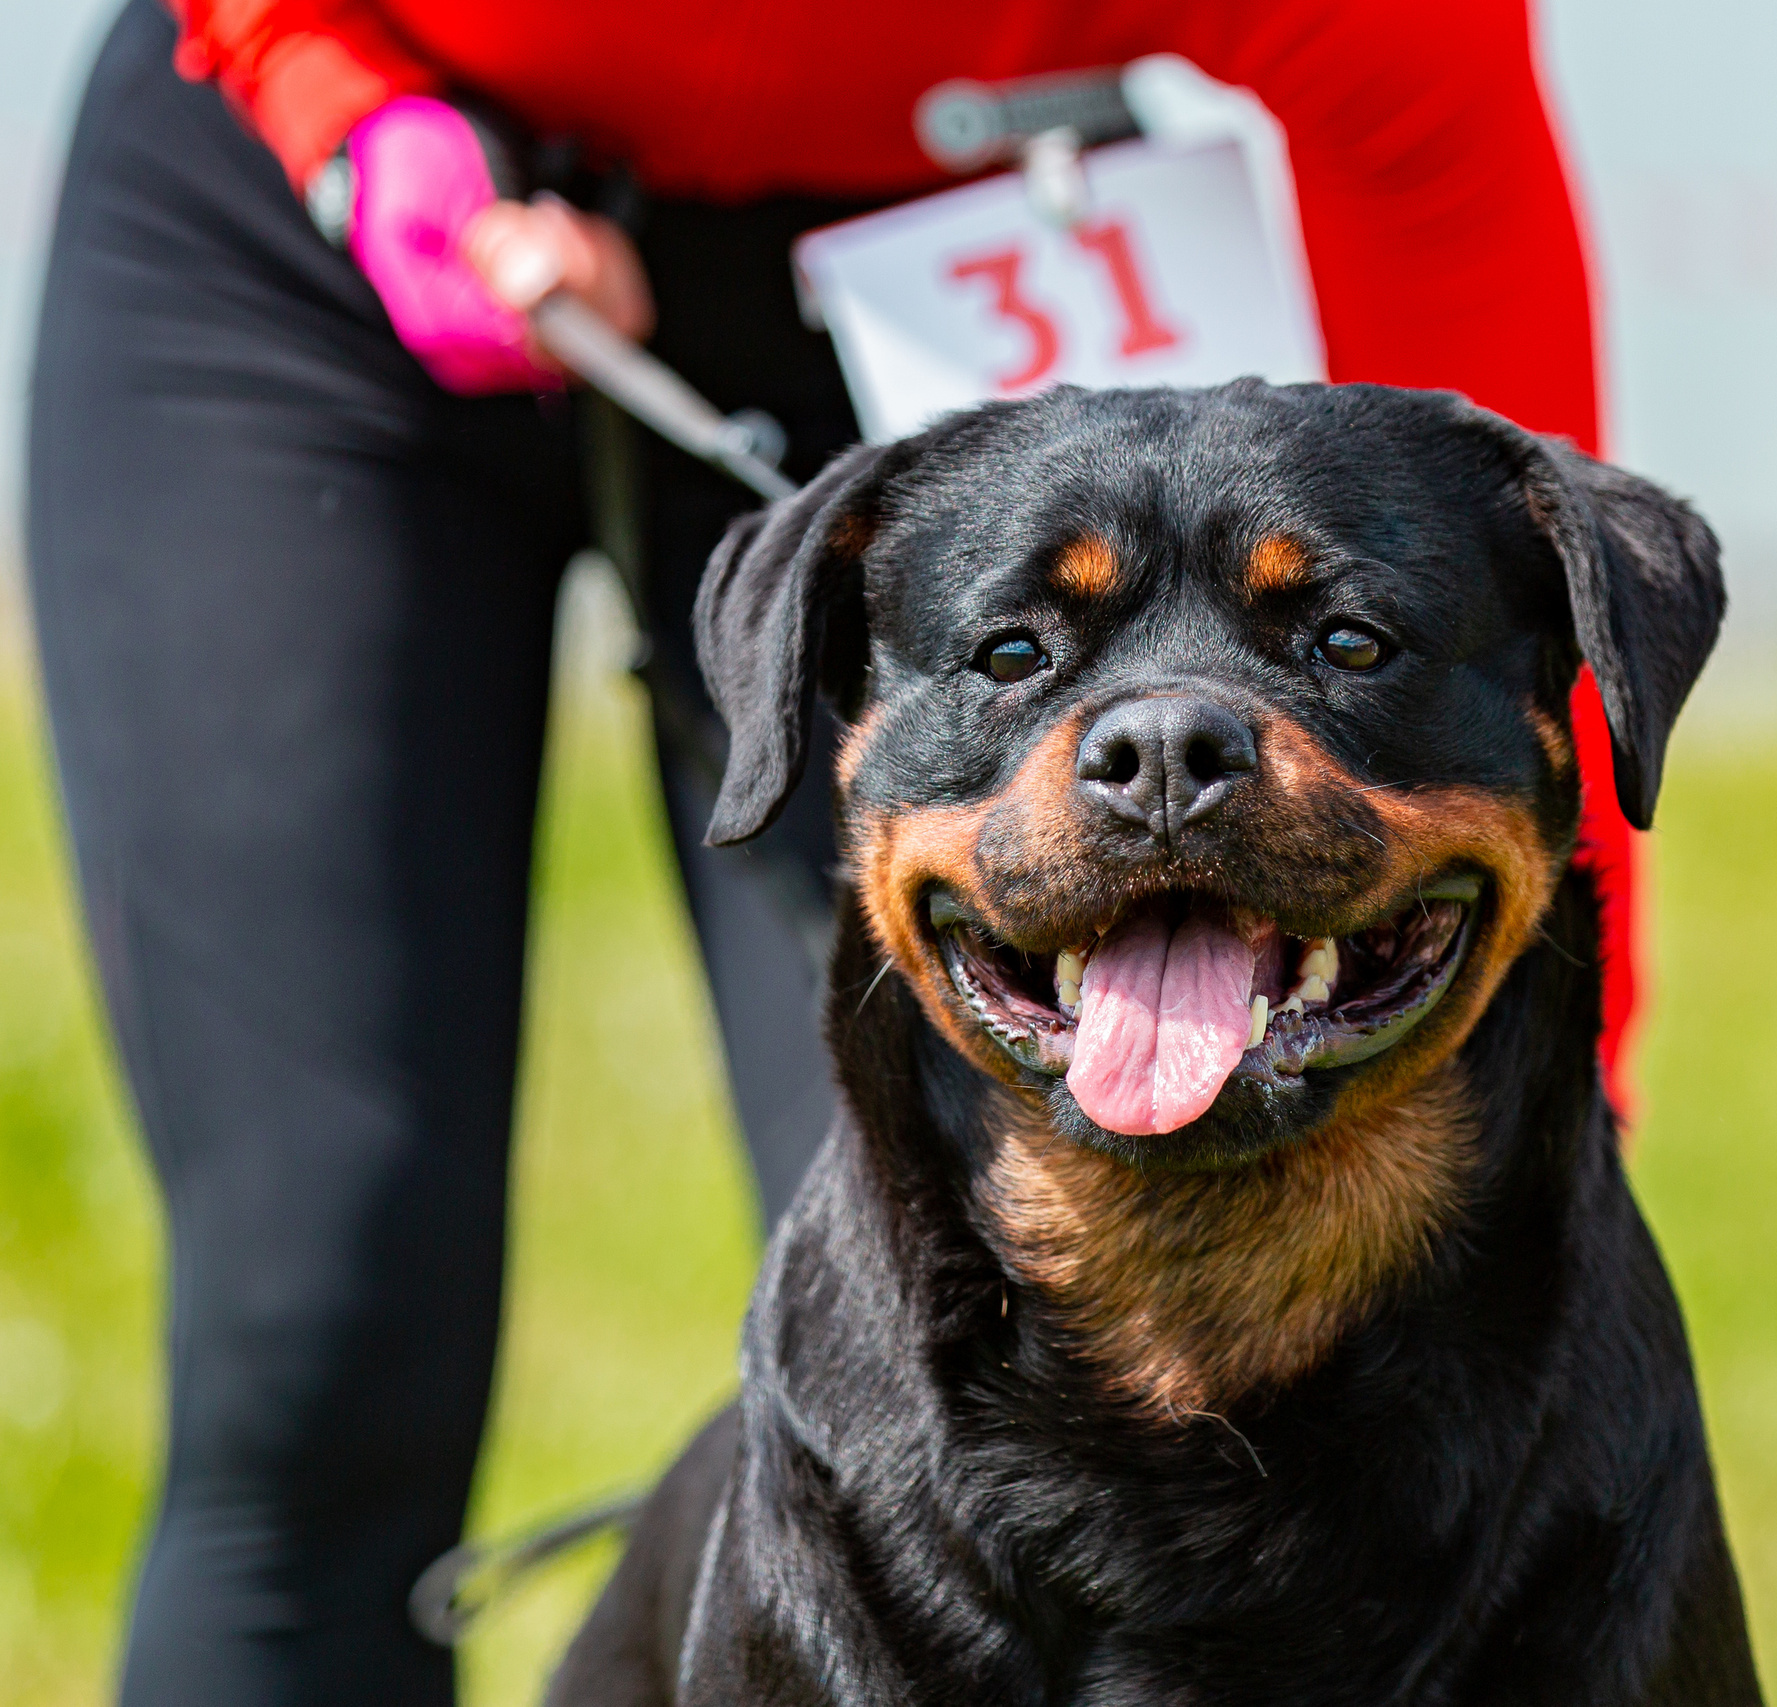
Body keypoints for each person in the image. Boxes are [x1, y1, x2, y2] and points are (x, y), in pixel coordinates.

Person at [26, 2, 1645, 1701]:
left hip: (936, 272)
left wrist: (1563, 1077)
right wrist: (333, 92)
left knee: (989, 1313)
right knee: (321, 1316)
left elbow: (1520, 606)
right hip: (316, 234)